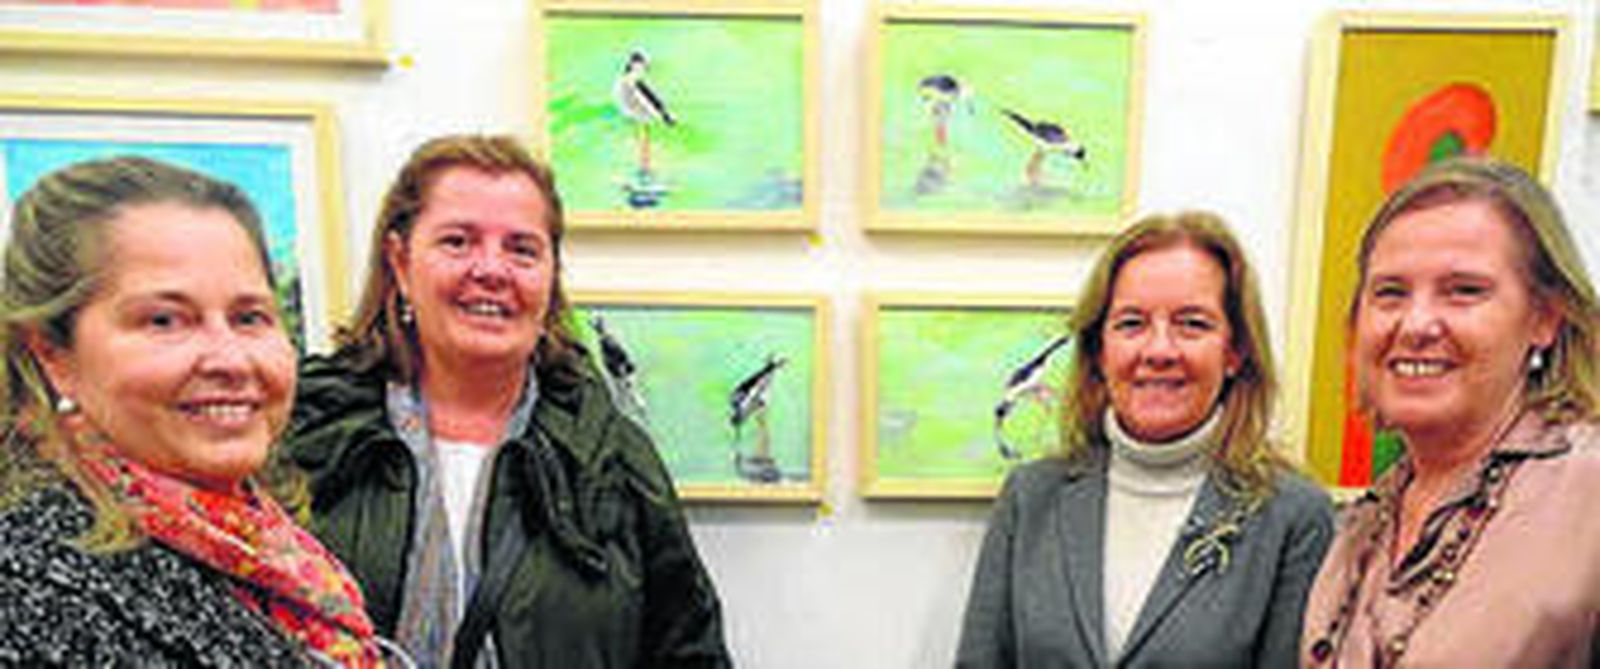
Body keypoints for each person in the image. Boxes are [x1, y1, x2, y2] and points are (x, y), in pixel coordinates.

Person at [284, 134, 730, 668]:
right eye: (458, 242)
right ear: (400, 263)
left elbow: (690, 653)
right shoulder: (308, 438)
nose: (492, 270)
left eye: (521, 249)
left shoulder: (613, 461)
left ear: (550, 275)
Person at [0, 156, 384, 665]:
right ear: (51, 354)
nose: (232, 360)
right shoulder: (31, 595)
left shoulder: (252, 543)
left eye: (249, 317)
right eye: (165, 320)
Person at [956, 211, 1334, 667]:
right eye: (1132, 323)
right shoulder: (1030, 496)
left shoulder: (1293, 517)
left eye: (1191, 324)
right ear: (1100, 350)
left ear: (1235, 351)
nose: (1158, 350)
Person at [1302, 157, 1600, 666]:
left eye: (1464, 291)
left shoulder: (1587, 498)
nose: (1416, 324)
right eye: (1391, 293)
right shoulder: (1366, 519)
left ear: (1545, 319)